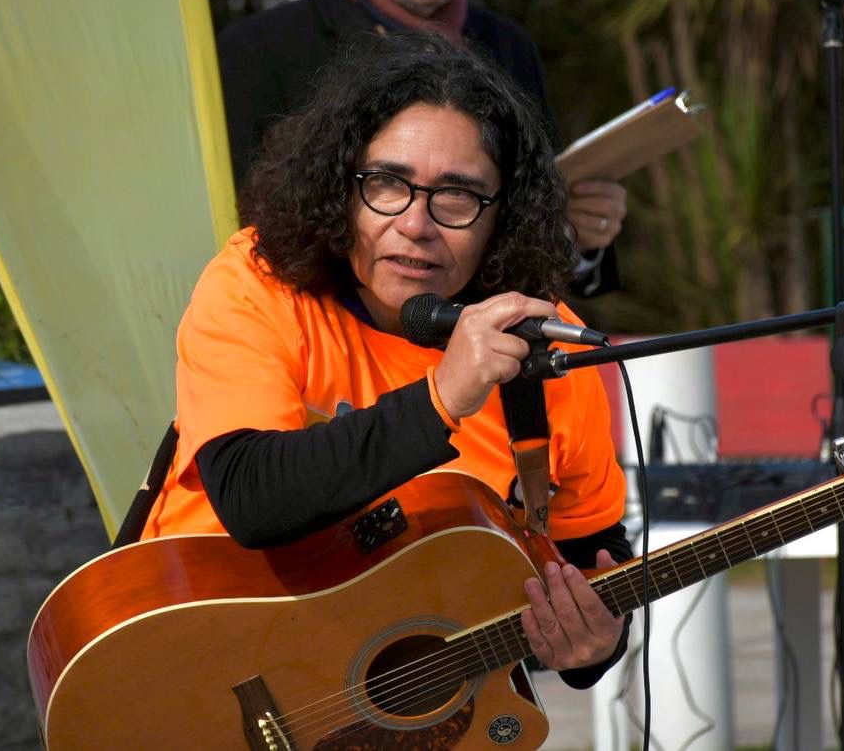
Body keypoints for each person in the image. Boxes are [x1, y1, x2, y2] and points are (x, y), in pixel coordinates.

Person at [144, 34, 632, 686]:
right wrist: (442, 397)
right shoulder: (256, 283)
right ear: (339, 187)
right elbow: (252, 497)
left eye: (457, 197)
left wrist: (597, 643)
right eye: (387, 183)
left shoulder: (543, 344)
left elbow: (588, 552)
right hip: (204, 674)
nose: (415, 223)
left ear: (502, 218)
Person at [217, 0, 626, 295]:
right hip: (328, 347)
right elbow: (253, 239)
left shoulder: (508, 47)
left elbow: (533, 240)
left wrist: (580, 236)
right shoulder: (260, 51)